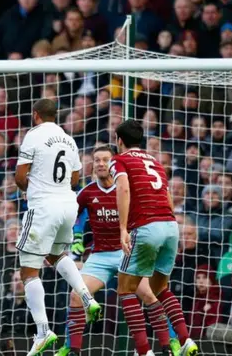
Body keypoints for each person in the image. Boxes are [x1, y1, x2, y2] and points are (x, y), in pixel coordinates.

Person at [57, 145, 180, 356]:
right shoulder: (87, 193)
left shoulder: (128, 188)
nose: (101, 164)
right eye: (97, 160)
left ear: (114, 163)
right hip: (100, 255)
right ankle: (71, 348)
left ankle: (172, 343)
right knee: (76, 296)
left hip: (128, 252)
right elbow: (71, 217)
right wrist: (75, 238)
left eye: (105, 159)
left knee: (150, 295)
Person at [14, 99, 101, 356]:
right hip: (67, 206)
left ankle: (42, 331)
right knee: (57, 255)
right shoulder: (69, 140)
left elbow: (20, 177)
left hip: (43, 206)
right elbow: (75, 178)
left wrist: (32, 185)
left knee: (29, 271)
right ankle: (86, 296)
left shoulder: (33, 135)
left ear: (36, 115)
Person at [111, 120, 198, 356]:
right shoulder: (156, 162)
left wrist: (122, 228)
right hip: (171, 226)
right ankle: (185, 339)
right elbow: (168, 197)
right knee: (160, 289)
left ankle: (143, 351)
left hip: (147, 227)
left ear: (119, 140)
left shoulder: (119, 160)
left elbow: (124, 189)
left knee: (125, 289)